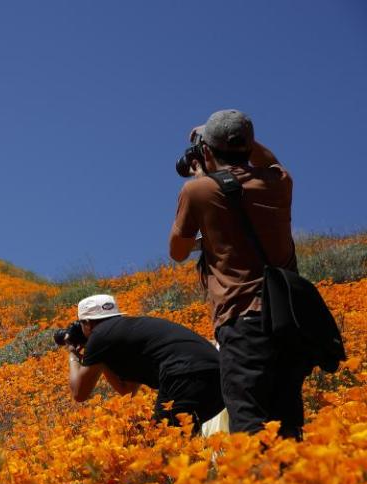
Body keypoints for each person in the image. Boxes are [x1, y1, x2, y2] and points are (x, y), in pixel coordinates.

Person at [168, 109, 310, 440]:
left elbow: (177, 251)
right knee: (287, 426)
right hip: (290, 323)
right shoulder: (279, 183)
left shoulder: (199, 191)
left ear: (205, 151)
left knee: (249, 425)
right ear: (249, 144)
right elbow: (271, 160)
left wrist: (201, 181)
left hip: (243, 321)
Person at [65, 294, 224, 435]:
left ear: (87, 323)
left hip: (184, 374)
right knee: (182, 441)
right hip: (219, 375)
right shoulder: (130, 330)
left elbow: (79, 393)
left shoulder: (99, 335)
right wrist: (102, 359)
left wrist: (72, 352)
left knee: (164, 444)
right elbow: (127, 390)